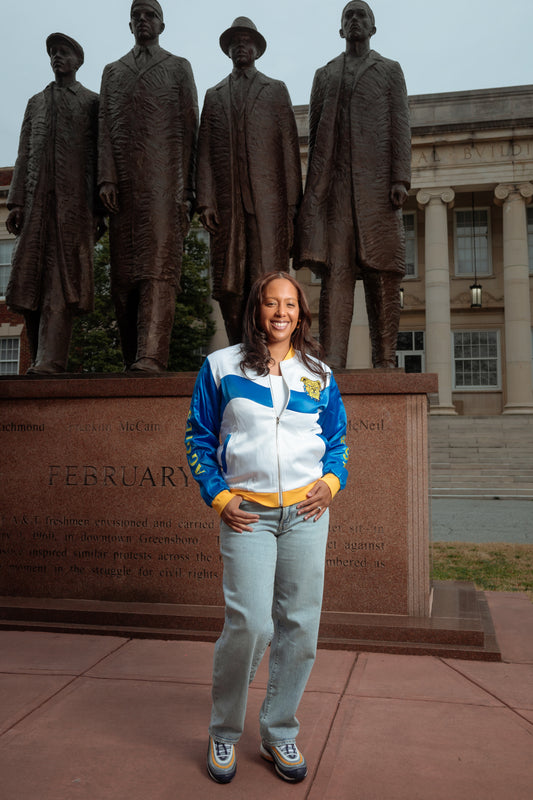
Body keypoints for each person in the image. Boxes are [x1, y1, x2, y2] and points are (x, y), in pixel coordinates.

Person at [185, 271, 349, 784]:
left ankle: (280, 732)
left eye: (292, 305)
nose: (282, 313)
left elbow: (338, 440)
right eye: (272, 303)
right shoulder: (221, 367)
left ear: (301, 313)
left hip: (306, 513)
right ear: (256, 309)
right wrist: (221, 497)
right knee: (251, 625)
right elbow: (197, 437)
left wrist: (332, 482)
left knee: (300, 628)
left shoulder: (317, 373)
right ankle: (224, 732)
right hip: (248, 514)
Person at [295, 1, 411, 369]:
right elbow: (314, 136)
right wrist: (314, 194)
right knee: (337, 274)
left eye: (362, 16)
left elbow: (400, 124)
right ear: (341, 30)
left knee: (382, 273)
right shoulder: (325, 74)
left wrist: (399, 176)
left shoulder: (389, 70)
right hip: (336, 189)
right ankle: (333, 357)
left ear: (373, 28)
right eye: (349, 17)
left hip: (377, 187)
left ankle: (386, 357)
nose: (355, 21)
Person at [98, 0, 198, 372]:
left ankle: (151, 356)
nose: (143, 20)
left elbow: (191, 129)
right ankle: (131, 358)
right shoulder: (113, 72)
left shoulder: (177, 67)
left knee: (157, 272)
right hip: (122, 189)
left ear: (162, 24)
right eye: (137, 16)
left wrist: (189, 191)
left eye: (150, 14)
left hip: (165, 186)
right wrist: (106, 177)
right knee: (123, 279)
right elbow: (105, 128)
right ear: (130, 26)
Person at [197, 17, 302, 345]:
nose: (241, 47)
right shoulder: (214, 96)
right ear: (228, 50)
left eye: (247, 41)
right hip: (228, 206)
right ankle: (238, 348)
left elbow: (288, 150)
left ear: (257, 48)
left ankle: (267, 348)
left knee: (267, 281)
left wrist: (291, 206)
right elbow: (204, 154)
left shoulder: (274, 90)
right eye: (235, 42)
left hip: (268, 206)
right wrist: (206, 200)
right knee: (229, 283)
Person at [5, 33, 102, 374]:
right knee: (29, 284)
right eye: (53, 53)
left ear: (78, 61)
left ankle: (53, 359)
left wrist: (97, 210)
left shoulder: (91, 102)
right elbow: (23, 152)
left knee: (61, 285)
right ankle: (38, 358)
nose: (57, 58)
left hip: (72, 209)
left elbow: (98, 157)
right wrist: (16, 202)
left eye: (64, 53)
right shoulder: (36, 102)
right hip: (35, 209)